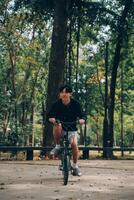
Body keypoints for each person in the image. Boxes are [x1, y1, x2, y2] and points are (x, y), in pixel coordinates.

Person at [47, 84, 85, 176]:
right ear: (59, 94)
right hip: (60, 129)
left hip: (72, 128)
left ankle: (75, 166)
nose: (64, 94)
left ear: (70, 94)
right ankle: (57, 146)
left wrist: (81, 120)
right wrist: (51, 119)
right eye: (62, 92)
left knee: (74, 145)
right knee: (57, 126)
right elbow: (49, 116)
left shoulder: (76, 104)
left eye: (66, 92)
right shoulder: (56, 104)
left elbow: (82, 116)